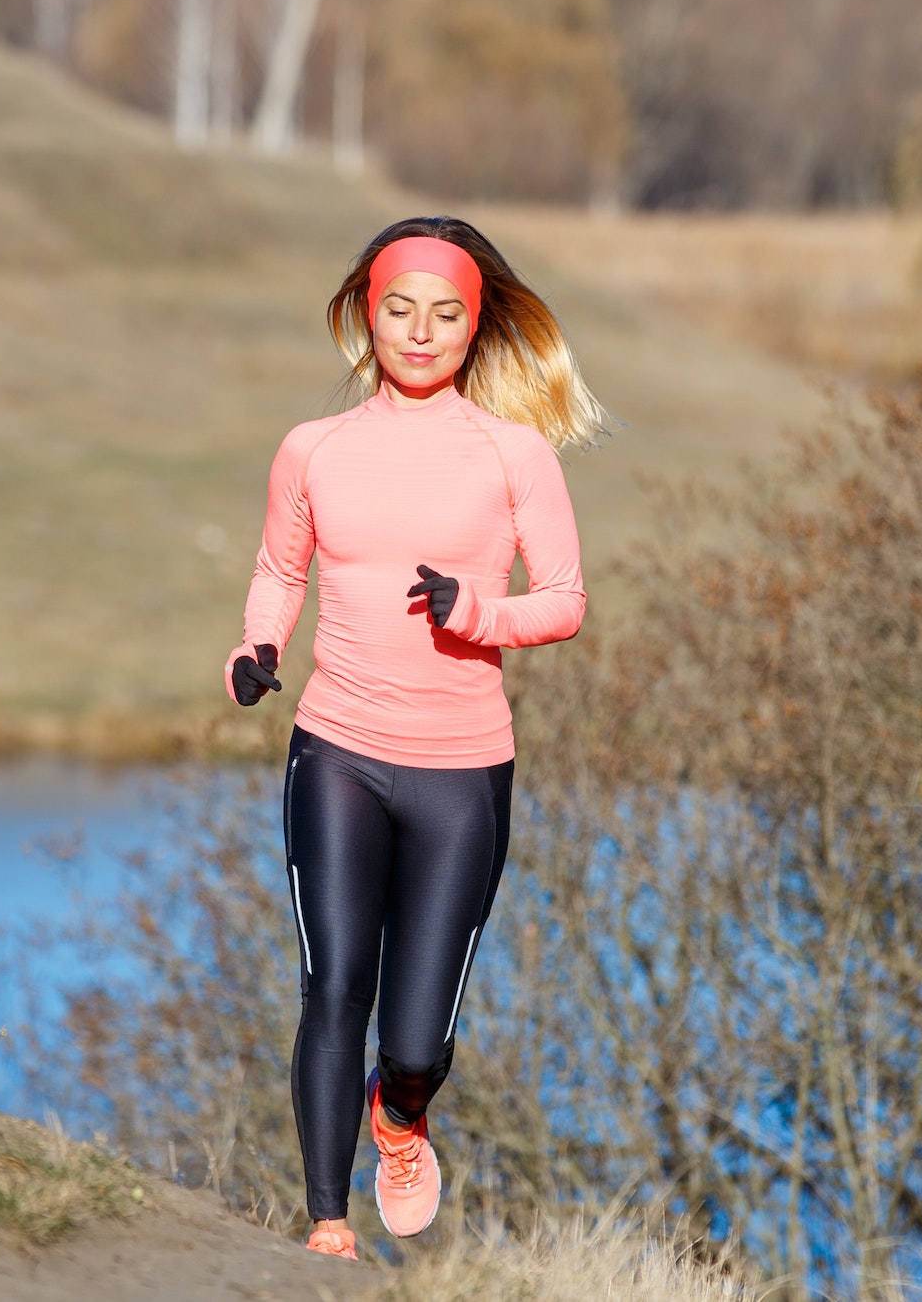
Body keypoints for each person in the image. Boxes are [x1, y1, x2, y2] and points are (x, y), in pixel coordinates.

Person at [224, 217, 608, 1260]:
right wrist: (256, 648)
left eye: (444, 313)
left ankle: (399, 1116)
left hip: (462, 773)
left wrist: (473, 610)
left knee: (414, 1039)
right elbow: (278, 569)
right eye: (399, 309)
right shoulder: (314, 447)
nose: (419, 331)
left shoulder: (512, 453)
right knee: (331, 982)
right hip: (335, 752)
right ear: (366, 314)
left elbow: (564, 601)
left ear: (473, 326)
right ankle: (326, 1221)